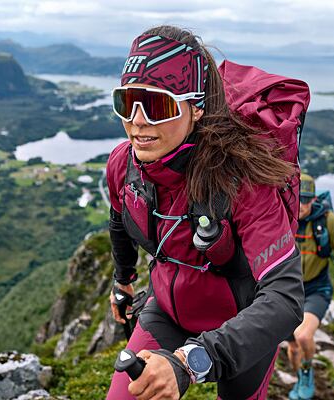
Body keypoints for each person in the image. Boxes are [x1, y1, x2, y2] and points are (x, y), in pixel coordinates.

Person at [105, 25, 305, 400]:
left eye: (157, 105)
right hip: (166, 312)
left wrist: (189, 362)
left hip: (243, 325)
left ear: (196, 108)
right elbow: (119, 220)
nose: (137, 120)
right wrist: (123, 280)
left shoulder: (243, 180)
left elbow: (285, 299)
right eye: (126, 102)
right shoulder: (124, 165)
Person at [287, 173, 334, 400]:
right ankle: (300, 378)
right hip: (286, 291)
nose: (301, 205)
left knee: (303, 336)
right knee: (293, 347)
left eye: (306, 200)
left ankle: (307, 371)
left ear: (314, 199)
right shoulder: (281, 215)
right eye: (297, 198)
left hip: (316, 289)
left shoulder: (328, 221)